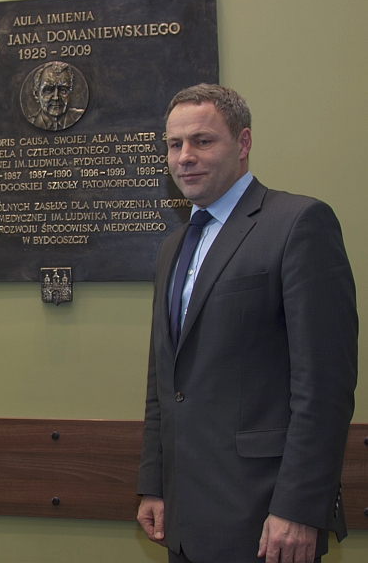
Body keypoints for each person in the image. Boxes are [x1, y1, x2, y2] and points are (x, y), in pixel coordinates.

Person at [136, 84, 357, 563]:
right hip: (185, 519)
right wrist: (155, 484)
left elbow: (325, 387)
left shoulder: (299, 223)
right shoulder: (173, 247)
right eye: (174, 144)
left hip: (266, 518)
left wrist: (299, 508)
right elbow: (164, 378)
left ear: (243, 143)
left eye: (203, 141)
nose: (185, 157)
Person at [27, 62, 85, 130]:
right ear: (37, 94)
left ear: (70, 93)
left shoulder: (84, 118)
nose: (56, 97)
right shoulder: (27, 124)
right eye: (48, 90)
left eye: (63, 90)